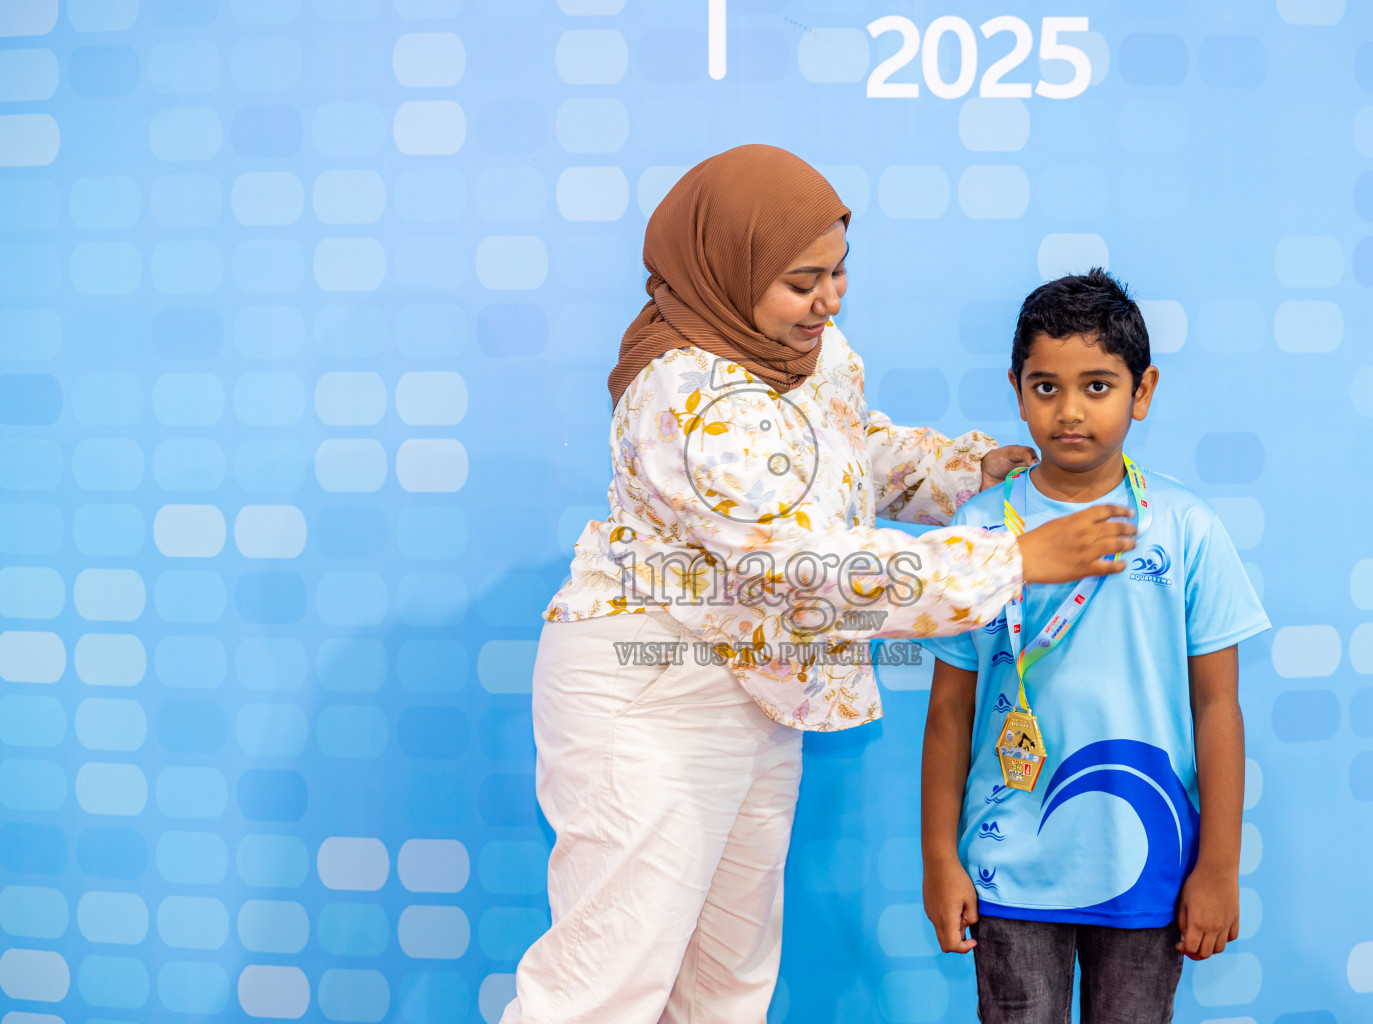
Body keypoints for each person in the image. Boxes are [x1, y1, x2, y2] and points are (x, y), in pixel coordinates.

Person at [500, 146, 1141, 1024]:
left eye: (840, 272)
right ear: (732, 268)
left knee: (727, 983)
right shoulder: (686, 401)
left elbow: (837, 452)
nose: (831, 299)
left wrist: (960, 470)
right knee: (606, 982)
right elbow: (809, 570)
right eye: (805, 281)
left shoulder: (801, 349)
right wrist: (1010, 560)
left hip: (759, 687)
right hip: (653, 690)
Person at [918, 269, 1272, 1024]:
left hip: (1150, 867)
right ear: (1015, 387)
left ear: (1142, 392)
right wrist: (940, 860)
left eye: (1098, 387)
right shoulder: (979, 533)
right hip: (1007, 868)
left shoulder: (1186, 528)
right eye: (1046, 387)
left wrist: (1219, 867)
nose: (1070, 411)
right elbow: (950, 710)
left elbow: (1219, 706)